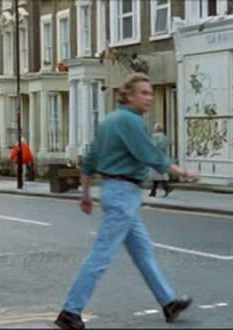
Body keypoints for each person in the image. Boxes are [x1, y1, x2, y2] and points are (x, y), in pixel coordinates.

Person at [55, 73, 200, 330]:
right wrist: (184, 172)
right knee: (101, 254)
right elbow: (150, 154)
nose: (149, 98)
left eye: (150, 93)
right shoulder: (130, 121)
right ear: (129, 95)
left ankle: (168, 302)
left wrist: (86, 193)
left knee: (144, 252)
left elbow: (89, 159)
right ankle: (70, 311)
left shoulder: (109, 121)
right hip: (123, 193)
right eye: (143, 93)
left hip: (117, 192)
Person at [148, 123, 173, 197]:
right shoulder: (164, 137)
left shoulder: (154, 136)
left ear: (156, 129)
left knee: (157, 175)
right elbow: (169, 143)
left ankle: (166, 188)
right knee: (159, 175)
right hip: (162, 157)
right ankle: (154, 191)